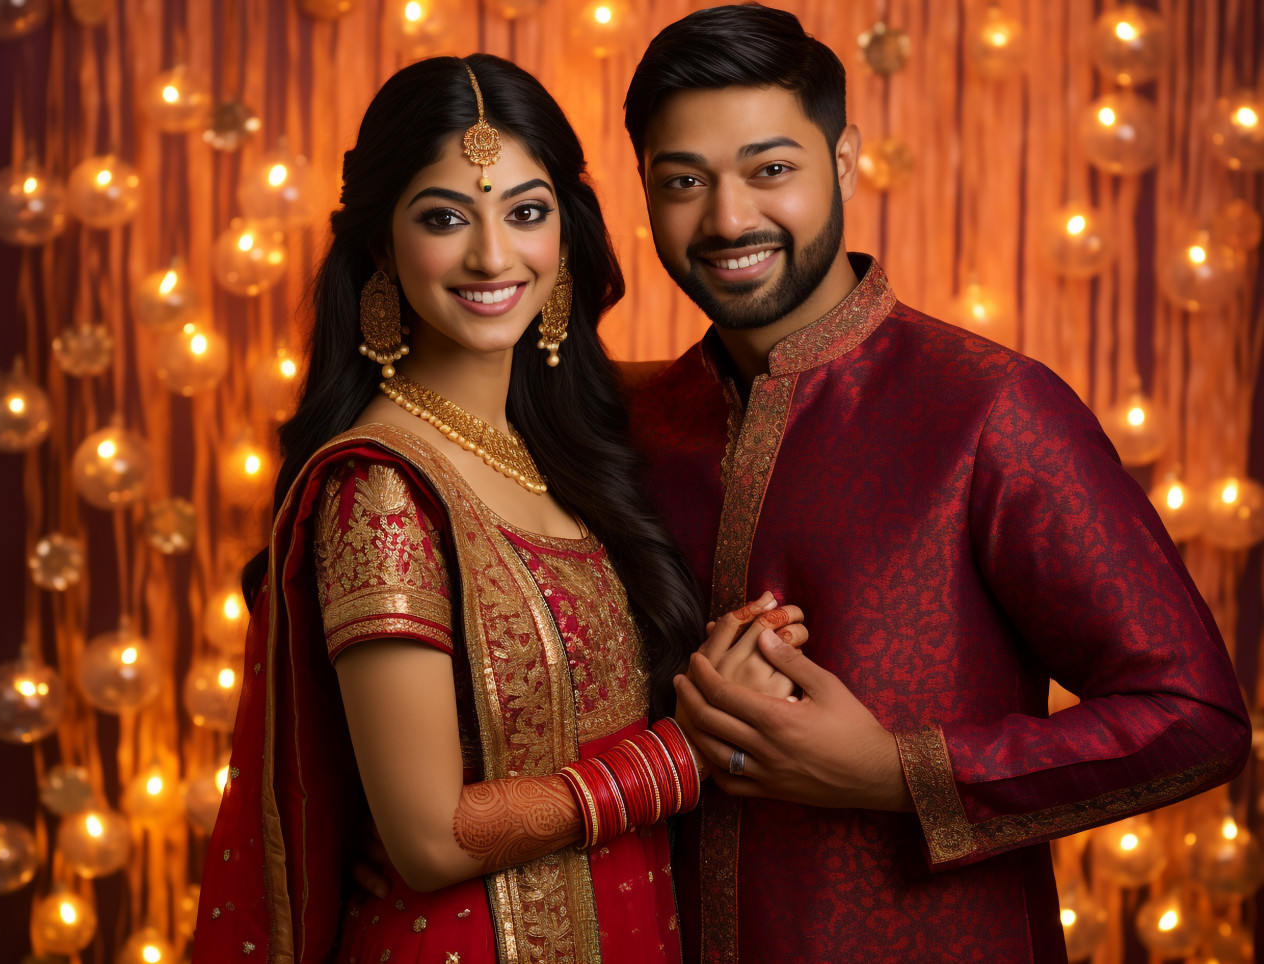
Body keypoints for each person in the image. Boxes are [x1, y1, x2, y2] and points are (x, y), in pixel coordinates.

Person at [619, 5, 1252, 963]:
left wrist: (894, 771)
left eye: (771, 169)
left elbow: (1195, 718)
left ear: (844, 161)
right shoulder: (636, 428)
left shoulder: (993, 409)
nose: (729, 218)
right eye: (684, 181)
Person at [190, 53, 807, 964]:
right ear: (380, 249)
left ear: (564, 233)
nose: (492, 255)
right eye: (445, 218)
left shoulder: (570, 446)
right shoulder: (382, 491)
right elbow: (432, 839)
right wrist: (695, 751)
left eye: (526, 212)